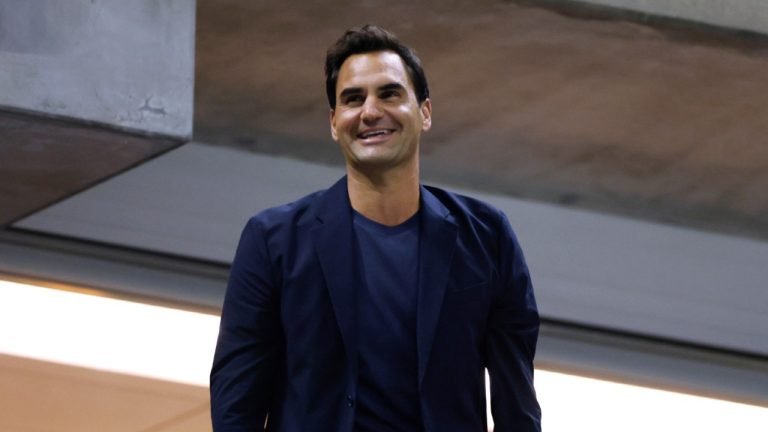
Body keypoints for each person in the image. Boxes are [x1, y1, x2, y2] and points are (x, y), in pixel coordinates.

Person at [210, 24, 541, 432]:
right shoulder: (273, 241)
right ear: (334, 123)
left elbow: (517, 406)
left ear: (425, 112)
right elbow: (236, 405)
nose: (369, 111)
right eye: (352, 99)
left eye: (389, 93)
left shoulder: (487, 237)